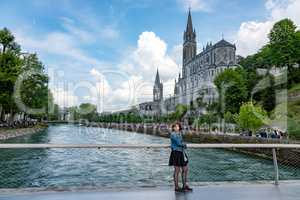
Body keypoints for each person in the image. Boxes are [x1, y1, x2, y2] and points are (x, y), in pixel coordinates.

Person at [169, 122, 193, 192]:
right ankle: (176, 187)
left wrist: (183, 145)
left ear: (179, 127)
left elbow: (181, 143)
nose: (177, 128)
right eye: (175, 127)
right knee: (177, 171)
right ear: (173, 128)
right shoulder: (173, 134)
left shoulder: (179, 134)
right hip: (176, 153)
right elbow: (179, 143)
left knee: (185, 169)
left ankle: (184, 186)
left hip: (181, 153)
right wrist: (184, 145)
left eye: (178, 126)